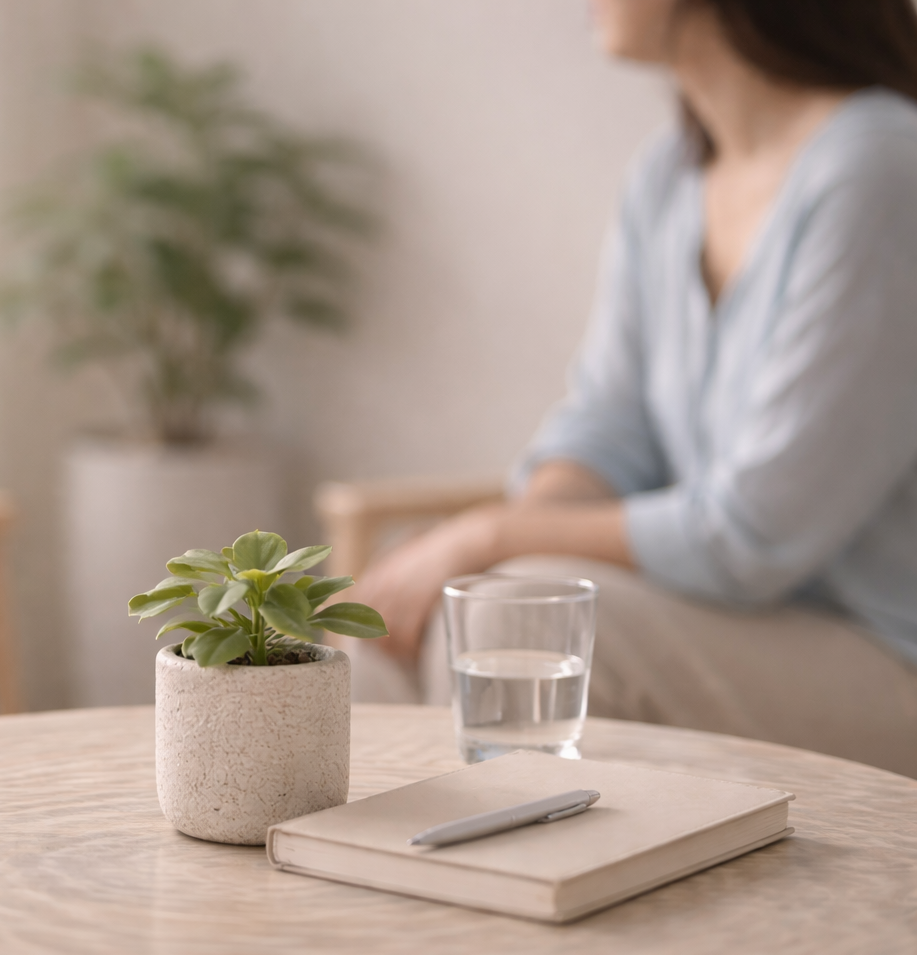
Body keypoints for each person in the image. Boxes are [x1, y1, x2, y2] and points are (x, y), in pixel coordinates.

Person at [354, 0, 917, 779]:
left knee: (522, 620)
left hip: (883, 649)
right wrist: (479, 559)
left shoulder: (881, 168)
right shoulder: (669, 178)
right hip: (730, 617)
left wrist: (486, 538)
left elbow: (754, 534)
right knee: (395, 625)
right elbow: (607, 432)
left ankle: (479, 849)